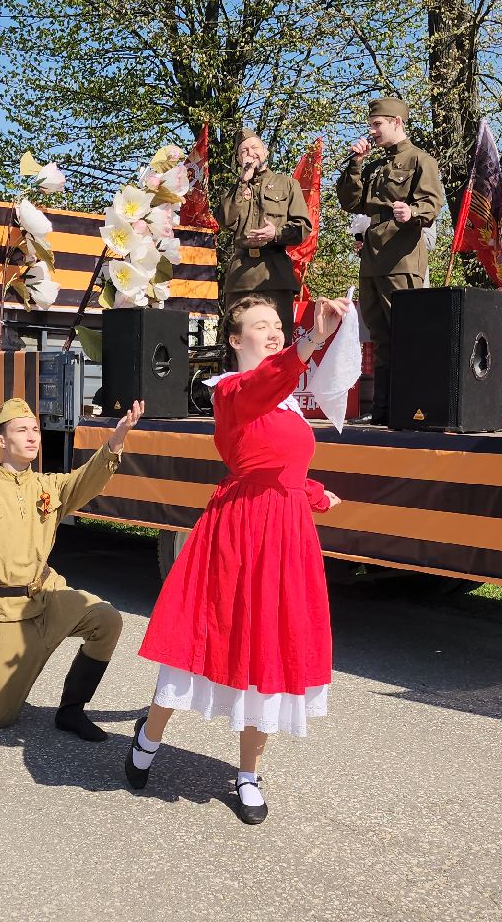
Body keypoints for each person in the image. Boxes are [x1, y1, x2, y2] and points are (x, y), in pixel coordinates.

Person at [127, 293, 350, 824]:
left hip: (285, 537)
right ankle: (149, 736)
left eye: (277, 324)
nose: (273, 332)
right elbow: (262, 385)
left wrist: (314, 493)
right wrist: (310, 341)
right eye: (260, 326)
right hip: (237, 533)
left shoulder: (288, 400)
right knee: (201, 638)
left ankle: (248, 773)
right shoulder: (230, 390)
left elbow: (281, 463)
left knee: (270, 648)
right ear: (234, 340)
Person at [0, 396, 144, 741]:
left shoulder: (49, 487)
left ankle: (71, 712)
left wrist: (117, 439)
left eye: (35, 429)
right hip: (7, 611)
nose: (33, 436)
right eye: (22, 430)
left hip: (49, 596)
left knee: (106, 620)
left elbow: (87, 480)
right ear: (2, 441)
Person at [333, 96, 443, 425]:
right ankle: (383, 411)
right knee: (380, 338)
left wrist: (413, 212)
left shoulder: (420, 160)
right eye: (371, 125)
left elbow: (432, 203)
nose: (373, 131)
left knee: (405, 334)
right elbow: (350, 202)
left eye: (378, 124)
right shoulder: (374, 166)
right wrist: (355, 163)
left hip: (402, 258)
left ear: (397, 122)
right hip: (373, 259)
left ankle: (412, 409)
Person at [219, 129, 313, 342]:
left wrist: (276, 234)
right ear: (238, 158)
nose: (250, 153)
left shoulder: (287, 184)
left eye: (255, 148)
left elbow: (302, 228)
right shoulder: (235, 189)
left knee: (277, 343)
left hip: (275, 275)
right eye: (244, 150)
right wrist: (243, 181)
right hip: (241, 277)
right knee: (238, 343)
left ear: (266, 152)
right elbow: (225, 220)